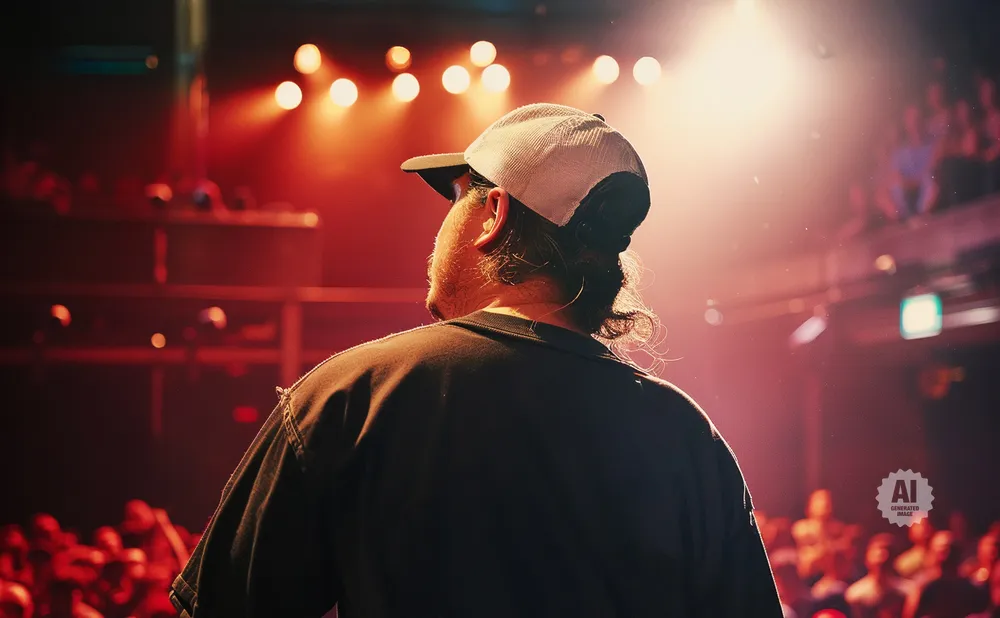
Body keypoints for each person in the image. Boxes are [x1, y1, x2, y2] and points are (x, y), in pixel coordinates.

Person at [168, 103, 782, 617]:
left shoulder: (352, 395)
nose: (442, 224)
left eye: (457, 195)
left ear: (494, 216)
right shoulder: (686, 436)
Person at [905, 531, 988, 618]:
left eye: (952, 550)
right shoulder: (925, 586)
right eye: (943, 550)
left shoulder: (969, 588)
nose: (947, 555)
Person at [890, 105, 939, 219]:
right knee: (894, 185)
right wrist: (908, 182)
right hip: (908, 193)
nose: (915, 124)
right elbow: (896, 178)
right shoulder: (899, 154)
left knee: (931, 179)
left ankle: (922, 215)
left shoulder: (933, 146)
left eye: (917, 119)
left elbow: (930, 174)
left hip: (924, 192)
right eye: (911, 121)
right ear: (906, 124)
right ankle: (903, 219)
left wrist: (913, 182)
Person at [845, 533, 909, 618]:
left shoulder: (907, 592)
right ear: (866, 558)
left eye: (886, 552)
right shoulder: (855, 595)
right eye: (876, 552)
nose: (881, 555)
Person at [897, 515, 935, 580]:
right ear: (910, 530)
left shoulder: (941, 555)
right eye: (919, 525)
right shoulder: (904, 562)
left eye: (927, 524)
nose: (925, 528)